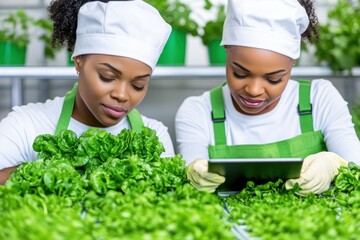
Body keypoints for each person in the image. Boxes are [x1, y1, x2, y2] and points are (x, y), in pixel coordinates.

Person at [175, 0, 360, 195]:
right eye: (240, 73)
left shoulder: (320, 99)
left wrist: (334, 165)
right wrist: (194, 170)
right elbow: (189, 179)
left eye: (274, 79)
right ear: (227, 50)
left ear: (292, 64)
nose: (254, 90)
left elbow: (356, 167)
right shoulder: (198, 111)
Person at [0, 0, 173, 184]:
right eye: (107, 77)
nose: (122, 95)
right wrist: (42, 174)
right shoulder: (25, 125)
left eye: (138, 85)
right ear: (79, 61)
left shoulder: (155, 135)